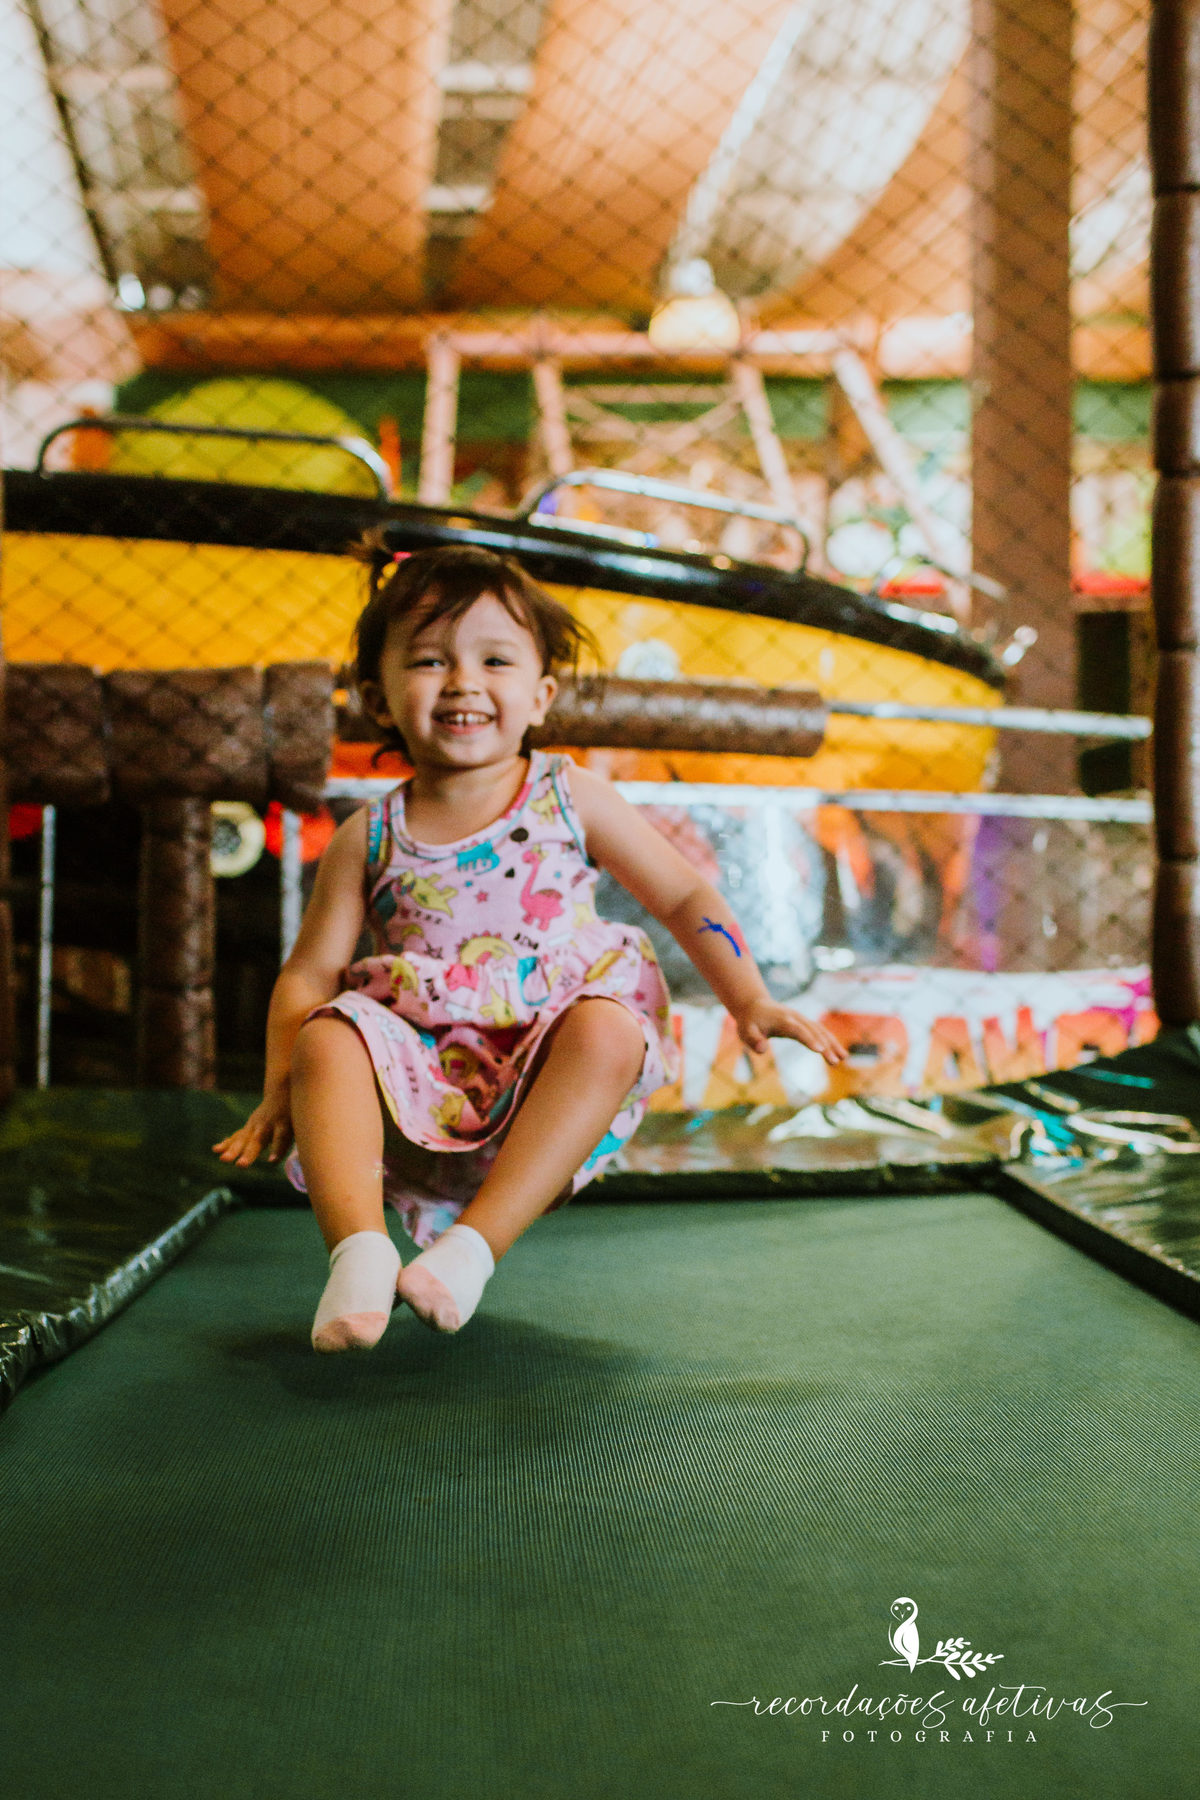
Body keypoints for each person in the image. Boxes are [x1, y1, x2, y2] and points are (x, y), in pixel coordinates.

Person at [214, 542, 846, 1351]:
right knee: (329, 1035)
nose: (464, 681)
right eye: (431, 660)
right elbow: (308, 971)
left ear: (540, 693)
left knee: (612, 1026)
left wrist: (748, 996)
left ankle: (470, 1251)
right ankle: (360, 1255)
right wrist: (281, 1087)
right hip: (424, 1067)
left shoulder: (567, 794)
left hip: (542, 1051)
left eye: (496, 660)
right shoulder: (367, 834)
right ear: (378, 695)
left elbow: (684, 894)